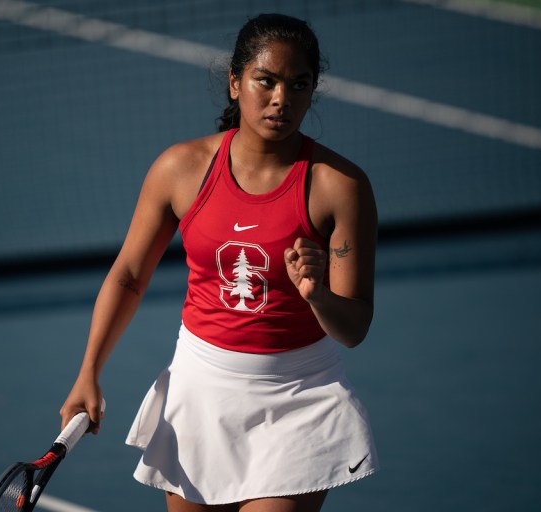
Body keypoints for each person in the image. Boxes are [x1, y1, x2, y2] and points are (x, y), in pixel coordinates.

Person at [60, 13, 378, 512]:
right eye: (266, 81)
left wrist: (317, 295)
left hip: (298, 398)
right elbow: (128, 275)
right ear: (235, 82)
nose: (281, 98)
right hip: (201, 392)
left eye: (299, 84)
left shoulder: (340, 187)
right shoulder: (179, 170)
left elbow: (354, 326)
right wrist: (88, 372)